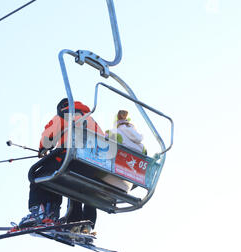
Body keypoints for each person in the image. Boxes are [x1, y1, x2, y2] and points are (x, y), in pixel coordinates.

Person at [18, 98, 104, 234]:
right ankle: (78, 223)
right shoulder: (91, 120)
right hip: (91, 166)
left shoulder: (65, 114)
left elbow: (48, 134)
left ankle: (41, 211)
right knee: (72, 188)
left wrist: (43, 148)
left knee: (40, 175)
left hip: (71, 159)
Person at [102, 110, 146, 192]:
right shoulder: (142, 147)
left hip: (107, 178)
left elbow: (100, 153)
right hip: (126, 186)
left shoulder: (113, 133)